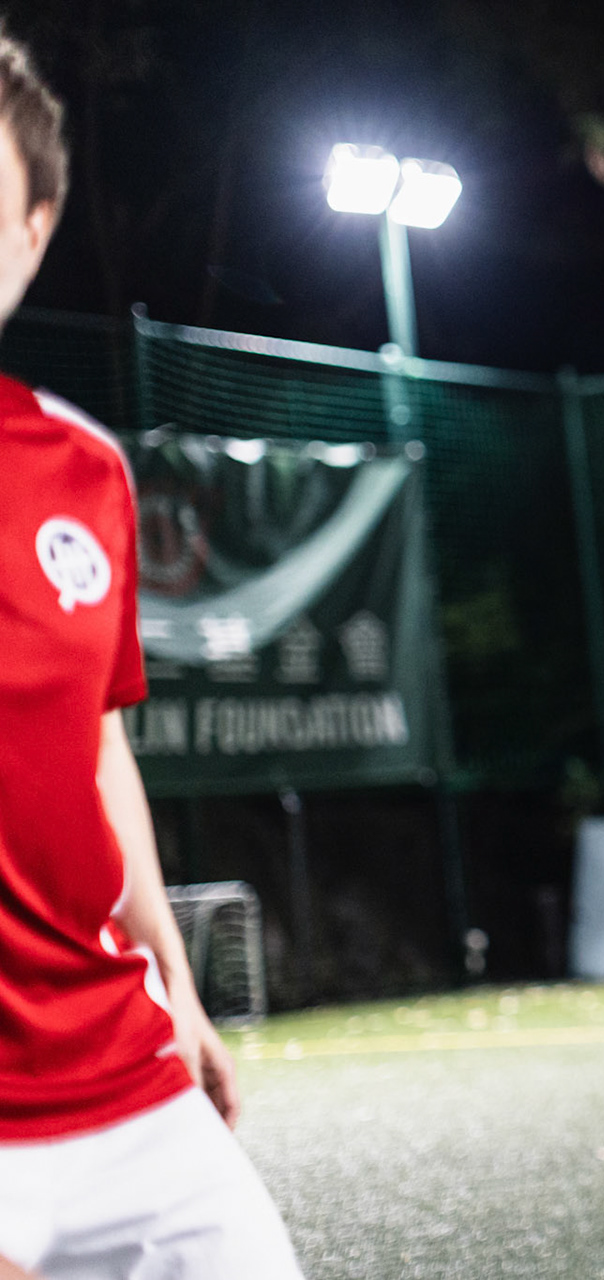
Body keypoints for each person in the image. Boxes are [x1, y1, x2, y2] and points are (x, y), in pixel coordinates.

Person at [0, 31, 304, 1280]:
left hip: (115, 1070)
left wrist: (175, 985)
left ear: (33, 225)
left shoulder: (82, 469)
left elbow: (97, 745)